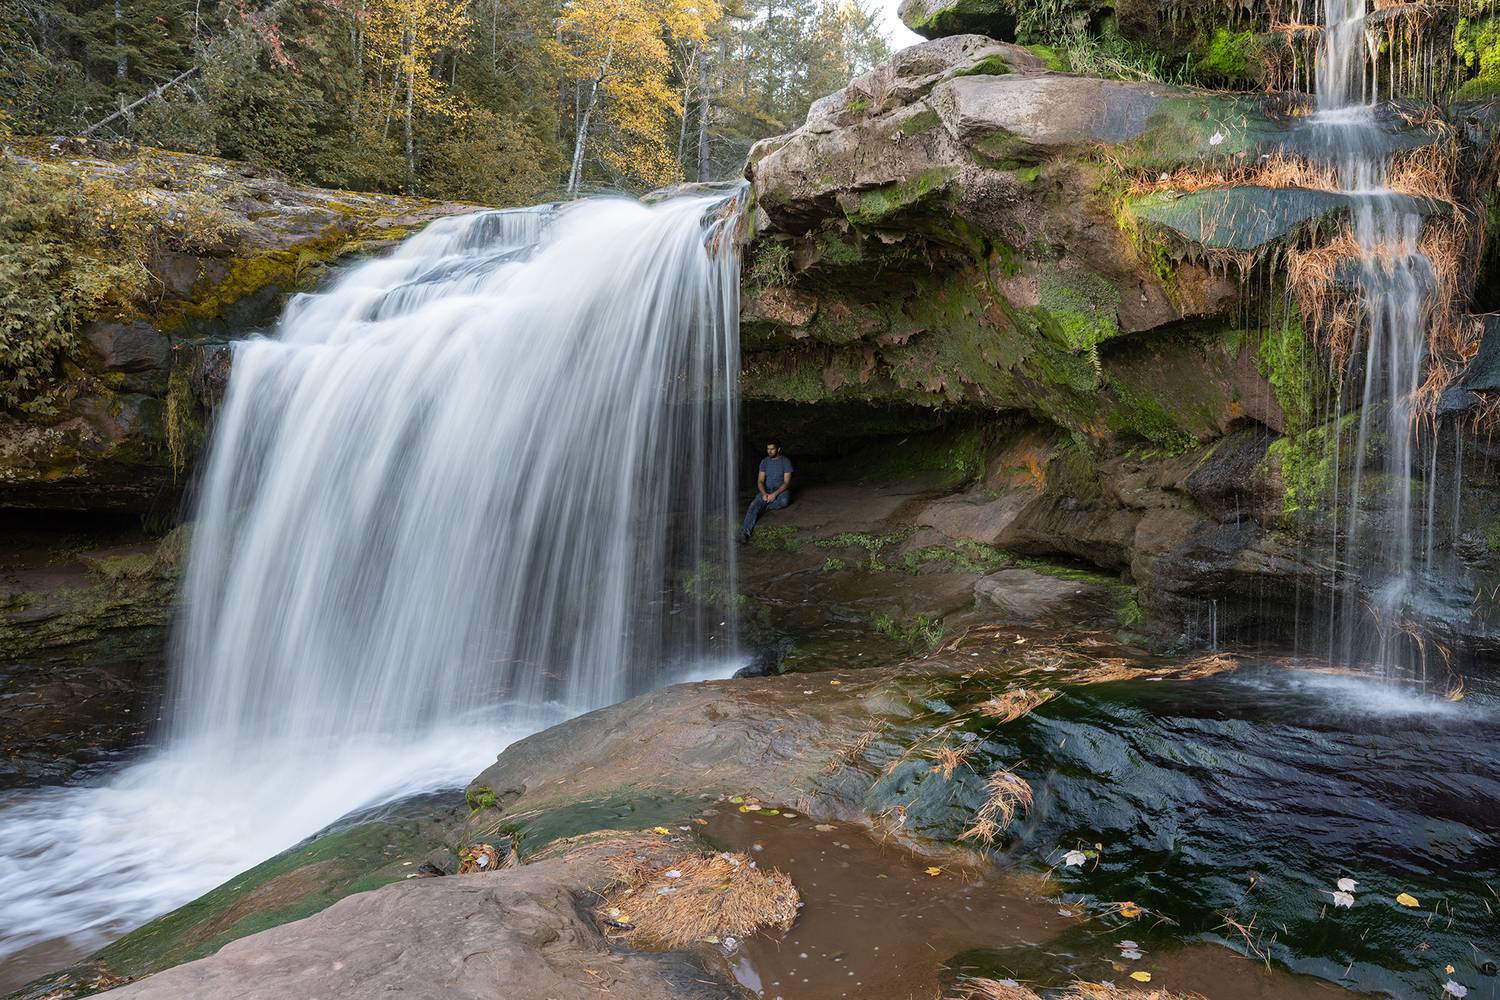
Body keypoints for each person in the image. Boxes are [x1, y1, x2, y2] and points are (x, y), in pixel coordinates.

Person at [740, 440, 792, 543]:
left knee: (785, 501)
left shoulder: (786, 462)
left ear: (778, 449)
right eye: (768, 449)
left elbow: (786, 483)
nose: (770, 451)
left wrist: (774, 494)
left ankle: (764, 507)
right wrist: (764, 494)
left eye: (772, 449)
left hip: (780, 490)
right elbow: (760, 481)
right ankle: (744, 533)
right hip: (767, 490)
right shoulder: (764, 462)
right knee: (754, 504)